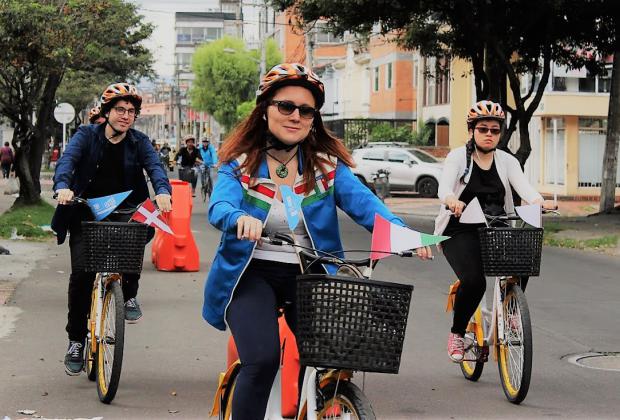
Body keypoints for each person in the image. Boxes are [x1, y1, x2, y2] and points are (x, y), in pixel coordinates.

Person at [202, 62, 432, 419]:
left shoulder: (326, 168)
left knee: (336, 356)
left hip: (310, 275)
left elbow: (367, 205)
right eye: (286, 106)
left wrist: (404, 234)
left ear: (313, 119)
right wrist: (239, 218)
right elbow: (220, 204)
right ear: (265, 110)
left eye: (306, 110)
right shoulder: (241, 163)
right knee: (262, 360)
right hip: (250, 274)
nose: (296, 115)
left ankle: (323, 403)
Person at [52, 82, 173, 376]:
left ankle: (128, 294)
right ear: (107, 112)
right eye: (120, 109)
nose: (126, 115)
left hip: (126, 211)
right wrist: (63, 187)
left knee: (133, 246)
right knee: (82, 275)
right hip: (85, 210)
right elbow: (68, 161)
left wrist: (162, 190)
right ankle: (75, 341)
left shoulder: (139, 141)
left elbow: (155, 167)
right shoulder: (85, 135)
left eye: (131, 111)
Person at [435, 100, 556, 363]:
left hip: (496, 225)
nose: (489, 134)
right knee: (475, 280)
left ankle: (510, 310)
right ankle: (457, 333)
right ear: (471, 131)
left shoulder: (507, 160)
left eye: (495, 130)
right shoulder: (457, 157)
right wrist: (451, 200)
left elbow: (525, 188)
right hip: (459, 228)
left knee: (525, 256)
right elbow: (443, 187)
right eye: (483, 129)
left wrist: (539, 201)